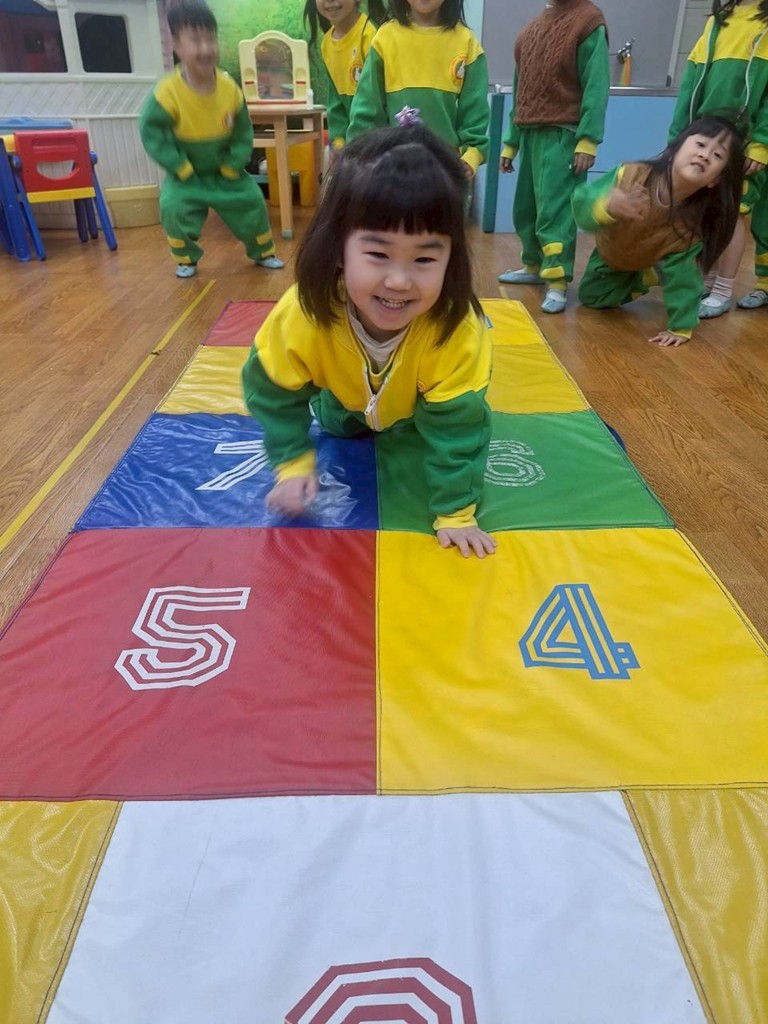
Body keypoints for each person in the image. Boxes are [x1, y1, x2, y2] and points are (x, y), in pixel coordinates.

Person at [242, 125, 496, 559]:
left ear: (451, 259)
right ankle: (351, 411)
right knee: (338, 422)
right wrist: (293, 463)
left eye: (424, 258)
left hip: (417, 405)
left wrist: (456, 513)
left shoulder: (456, 332)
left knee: (428, 426)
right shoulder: (304, 315)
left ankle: (406, 417)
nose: (398, 281)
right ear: (338, 247)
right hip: (343, 398)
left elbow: (460, 430)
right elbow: (273, 391)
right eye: (378, 254)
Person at [139, 0, 283, 278]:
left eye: (211, 39)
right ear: (177, 45)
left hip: (225, 172)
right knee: (172, 208)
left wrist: (233, 164)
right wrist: (178, 165)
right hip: (187, 175)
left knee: (252, 201)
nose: (206, 48)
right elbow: (151, 132)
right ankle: (186, 259)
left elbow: (242, 131)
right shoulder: (167, 92)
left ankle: (263, 252)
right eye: (196, 40)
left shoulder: (229, 88)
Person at [573, 116, 744, 346]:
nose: (705, 155)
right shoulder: (631, 175)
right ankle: (648, 275)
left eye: (717, 155)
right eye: (701, 144)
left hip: (644, 254)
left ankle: (650, 270)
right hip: (609, 254)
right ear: (675, 148)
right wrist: (607, 205)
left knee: (676, 272)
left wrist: (681, 328)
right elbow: (581, 202)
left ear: (714, 180)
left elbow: (685, 281)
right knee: (591, 298)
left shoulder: (688, 228)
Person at [497, 0, 610, 314]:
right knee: (527, 207)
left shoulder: (588, 22)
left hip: (563, 135)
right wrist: (511, 143)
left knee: (555, 210)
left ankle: (557, 280)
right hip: (530, 134)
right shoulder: (530, 31)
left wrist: (587, 140)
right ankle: (534, 265)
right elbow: (521, 92)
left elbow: (597, 85)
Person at [668, 0, 768, 316]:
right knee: (709, 210)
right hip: (708, 135)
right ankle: (708, 282)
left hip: (746, 141)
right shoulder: (717, 22)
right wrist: (677, 138)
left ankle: (723, 290)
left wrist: (762, 143)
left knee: (734, 211)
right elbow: (690, 84)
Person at [346, 0, 489, 180]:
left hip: (445, 173)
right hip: (392, 172)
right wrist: (359, 157)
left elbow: (475, 114)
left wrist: (471, 157)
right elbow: (366, 110)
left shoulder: (466, 42)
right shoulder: (385, 38)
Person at [303, 0, 386, 158]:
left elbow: (374, 103)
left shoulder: (371, 34)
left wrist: (356, 146)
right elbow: (335, 103)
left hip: (377, 143)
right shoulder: (327, 43)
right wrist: (338, 142)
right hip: (354, 147)